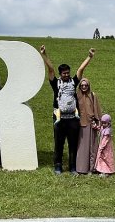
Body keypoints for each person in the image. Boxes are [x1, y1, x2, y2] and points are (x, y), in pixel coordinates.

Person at [39, 45, 94, 174]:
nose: (67, 75)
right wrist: (44, 54)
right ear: (60, 74)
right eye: (64, 73)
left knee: (73, 144)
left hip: (73, 119)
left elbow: (81, 69)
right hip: (59, 119)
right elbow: (50, 69)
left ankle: (72, 167)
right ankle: (58, 166)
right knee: (59, 144)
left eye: (68, 73)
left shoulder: (74, 82)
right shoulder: (55, 83)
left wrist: (89, 56)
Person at [74, 76, 103, 174]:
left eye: (86, 85)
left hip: (92, 124)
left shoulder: (93, 95)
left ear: (88, 86)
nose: (84, 87)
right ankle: (81, 168)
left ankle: (92, 168)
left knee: (93, 147)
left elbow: (97, 109)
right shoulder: (77, 96)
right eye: (82, 85)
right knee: (82, 147)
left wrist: (98, 122)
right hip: (81, 124)